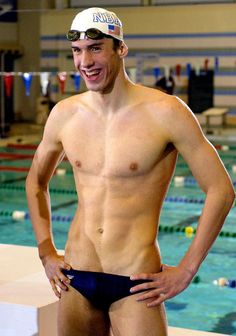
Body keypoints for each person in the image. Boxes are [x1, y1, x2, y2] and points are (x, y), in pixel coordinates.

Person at [26, 7, 235, 336]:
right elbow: (36, 182)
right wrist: (46, 252)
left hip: (135, 282)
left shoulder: (166, 112)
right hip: (76, 276)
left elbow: (221, 189)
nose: (85, 62)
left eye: (95, 49)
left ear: (121, 48)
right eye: (77, 51)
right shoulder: (65, 114)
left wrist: (187, 269)